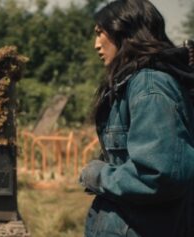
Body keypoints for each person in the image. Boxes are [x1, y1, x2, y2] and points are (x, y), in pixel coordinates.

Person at [79, 0, 194, 236]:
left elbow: (159, 175)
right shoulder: (135, 83)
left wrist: (99, 176)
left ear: (125, 31)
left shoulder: (149, 85)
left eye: (101, 33)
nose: (96, 45)